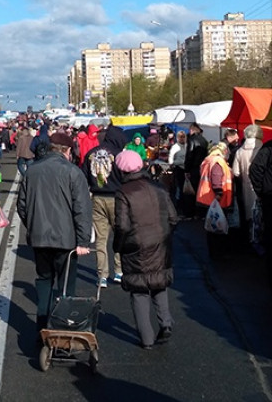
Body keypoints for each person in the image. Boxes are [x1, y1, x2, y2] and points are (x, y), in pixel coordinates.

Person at [17, 131, 92, 332]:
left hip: (39, 238)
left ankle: (42, 327)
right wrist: (83, 242)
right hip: (66, 240)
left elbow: (22, 206)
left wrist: (34, 225)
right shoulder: (73, 172)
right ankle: (63, 329)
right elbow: (82, 209)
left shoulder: (31, 171)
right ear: (67, 151)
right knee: (66, 285)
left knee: (44, 281)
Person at [113, 150, 178, 350]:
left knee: (139, 291)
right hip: (160, 242)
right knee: (159, 283)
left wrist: (118, 245)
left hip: (136, 245)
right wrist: (165, 234)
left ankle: (147, 338)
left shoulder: (124, 192)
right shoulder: (158, 187)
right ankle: (165, 322)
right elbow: (173, 217)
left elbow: (122, 226)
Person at [82, 124, 127, 288]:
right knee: (120, 235)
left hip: (97, 198)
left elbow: (84, 177)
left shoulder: (91, 154)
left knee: (101, 239)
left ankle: (102, 275)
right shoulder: (119, 155)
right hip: (117, 198)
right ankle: (119, 271)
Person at [196, 142, 233, 259]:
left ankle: (214, 253)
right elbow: (216, 179)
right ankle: (219, 254)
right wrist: (219, 193)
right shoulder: (218, 161)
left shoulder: (208, 160)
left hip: (208, 199)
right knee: (218, 227)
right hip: (217, 200)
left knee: (212, 228)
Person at [233, 125, 264, 248]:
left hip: (246, 187)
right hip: (262, 188)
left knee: (249, 215)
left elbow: (236, 172)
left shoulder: (240, 151)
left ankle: (250, 240)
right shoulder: (263, 148)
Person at [249, 137, 272, 287]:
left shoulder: (268, 147)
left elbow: (255, 169)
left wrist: (262, 193)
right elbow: (255, 170)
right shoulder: (268, 148)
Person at [185, 122, 209, 210]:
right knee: (201, 189)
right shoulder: (204, 140)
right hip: (202, 168)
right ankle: (201, 210)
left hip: (193, 168)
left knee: (191, 191)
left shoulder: (191, 140)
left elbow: (189, 155)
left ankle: (192, 211)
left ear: (192, 130)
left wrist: (186, 170)